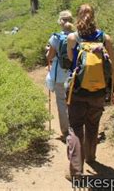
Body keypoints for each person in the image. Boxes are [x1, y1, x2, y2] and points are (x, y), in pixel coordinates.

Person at [66, 4, 114, 178]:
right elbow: (113, 68)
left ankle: (76, 172)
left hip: (77, 91)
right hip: (98, 91)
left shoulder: (72, 37)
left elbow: (70, 59)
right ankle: (90, 156)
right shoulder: (105, 38)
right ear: (94, 17)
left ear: (77, 17)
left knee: (76, 128)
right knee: (92, 124)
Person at [46, 10, 75, 138]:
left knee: (62, 103)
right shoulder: (77, 36)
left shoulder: (56, 37)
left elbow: (50, 57)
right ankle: (76, 128)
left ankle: (65, 132)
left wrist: (48, 51)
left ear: (60, 22)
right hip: (74, 74)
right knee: (73, 102)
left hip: (59, 75)